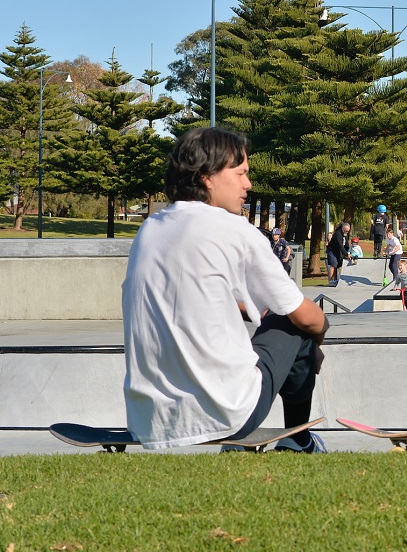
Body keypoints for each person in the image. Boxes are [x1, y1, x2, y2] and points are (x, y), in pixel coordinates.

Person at [122, 127, 328, 452]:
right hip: (227, 412)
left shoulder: (150, 229)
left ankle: (268, 440)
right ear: (207, 176)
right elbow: (306, 317)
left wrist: (247, 310)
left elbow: (194, 301)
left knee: (283, 317)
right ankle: (298, 441)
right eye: (241, 173)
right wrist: (318, 337)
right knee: (295, 322)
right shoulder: (234, 229)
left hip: (150, 418)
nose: (248, 184)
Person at [326, 221, 352, 287]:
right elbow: (340, 246)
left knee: (338, 265)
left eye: (348, 231)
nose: (347, 232)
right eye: (346, 230)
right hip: (332, 251)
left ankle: (336, 280)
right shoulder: (337, 234)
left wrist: (349, 252)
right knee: (333, 264)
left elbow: (346, 245)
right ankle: (331, 281)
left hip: (338, 251)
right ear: (342, 228)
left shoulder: (345, 235)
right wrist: (346, 254)